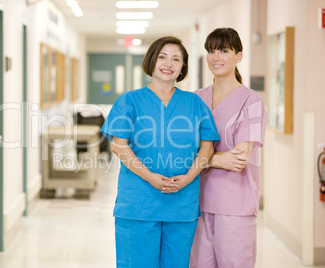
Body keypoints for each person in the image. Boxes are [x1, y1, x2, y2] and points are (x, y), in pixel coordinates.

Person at [101, 36, 220, 268]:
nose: (169, 64)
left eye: (176, 59)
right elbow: (119, 146)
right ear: (152, 61)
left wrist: (187, 178)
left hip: (181, 202)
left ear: (183, 67)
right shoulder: (130, 101)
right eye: (163, 57)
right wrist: (152, 178)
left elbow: (207, 146)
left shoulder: (194, 103)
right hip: (138, 202)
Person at [189, 28, 267, 268]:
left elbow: (238, 158)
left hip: (234, 205)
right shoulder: (195, 99)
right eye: (211, 51)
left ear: (238, 56)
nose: (216, 57)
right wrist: (214, 160)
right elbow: (180, 152)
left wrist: (202, 158)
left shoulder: (250, 101)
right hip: (196, 203)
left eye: (224, 50)